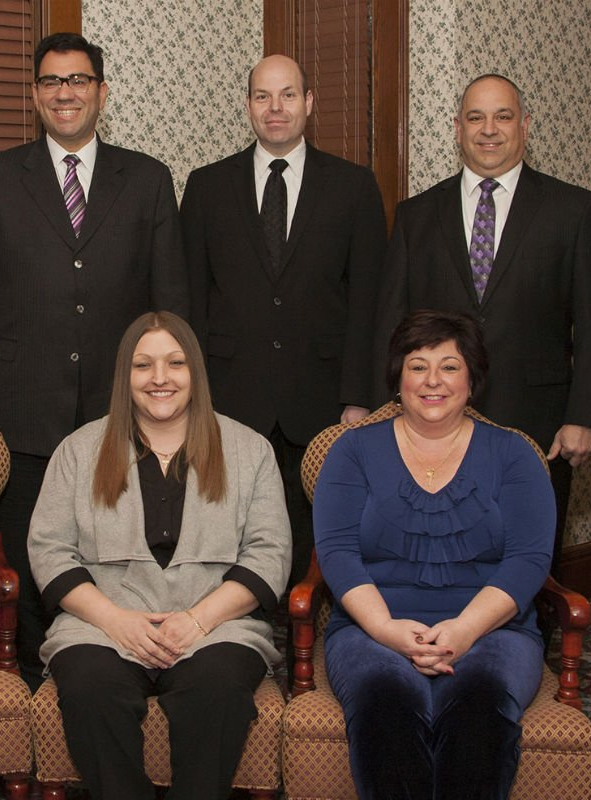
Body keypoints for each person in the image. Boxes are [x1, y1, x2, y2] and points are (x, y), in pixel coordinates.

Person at [0, 32, 188, 689]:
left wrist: (171, 395)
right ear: (34, 94)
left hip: (126, 408)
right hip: (21, 408)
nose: (65, 92)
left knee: (122, 545)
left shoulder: (146, 179)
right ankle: (32, 674)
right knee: (34, 548)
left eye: (78, 80)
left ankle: (120, 666)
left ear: (101, 92)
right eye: (52, 81)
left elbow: (170, 303)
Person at [28, 311, 291, 800]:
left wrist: (196, 621)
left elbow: (269, 552)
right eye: (143, 365)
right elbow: (49, 550)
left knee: (217, 690)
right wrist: (115, 621)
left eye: (175, 363)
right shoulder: (78, 450)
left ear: (196, 372)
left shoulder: (250, 449)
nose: (160, 378)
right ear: (124, 376)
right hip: (101, 623)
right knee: (90, 689)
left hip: (217, 623)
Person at [371, 73, 591, 570]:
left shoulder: (573, 210)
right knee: (436, 554)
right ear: (457, 128)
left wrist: (585, 415)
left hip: (538, 423)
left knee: (528, 561)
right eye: (476, 117)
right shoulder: (417, 214)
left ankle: (526, 650)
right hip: (434, 423)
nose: (489, 130)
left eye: (503, 116)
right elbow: (392, 322)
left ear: (524, 125)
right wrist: (388, 409)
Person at [314, 310, 554, 799]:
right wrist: (384, 630)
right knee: (385, 702)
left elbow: (528, 559)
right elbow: (337, 552)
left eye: (449, 366)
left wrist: (464, 630)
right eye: (417, 365)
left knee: (479, 703)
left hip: (493, 629)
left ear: (472, 377)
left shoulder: (514, 455)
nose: (432, 381)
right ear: (398, 377)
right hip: (372, 628)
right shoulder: (352, 451)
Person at [182, 54, 387, 584]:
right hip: (229, 392)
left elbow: (370, 300)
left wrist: (359, 397)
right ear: (248, 105)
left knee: (311, 534)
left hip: (320, 396)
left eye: (288, 95)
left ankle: (303, 634)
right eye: (263, 96)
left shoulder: (354, 186)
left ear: (309, 103)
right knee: (225, 527)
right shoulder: (207, 187)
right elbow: (188, 300)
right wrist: (190, 395)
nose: (276, 109)